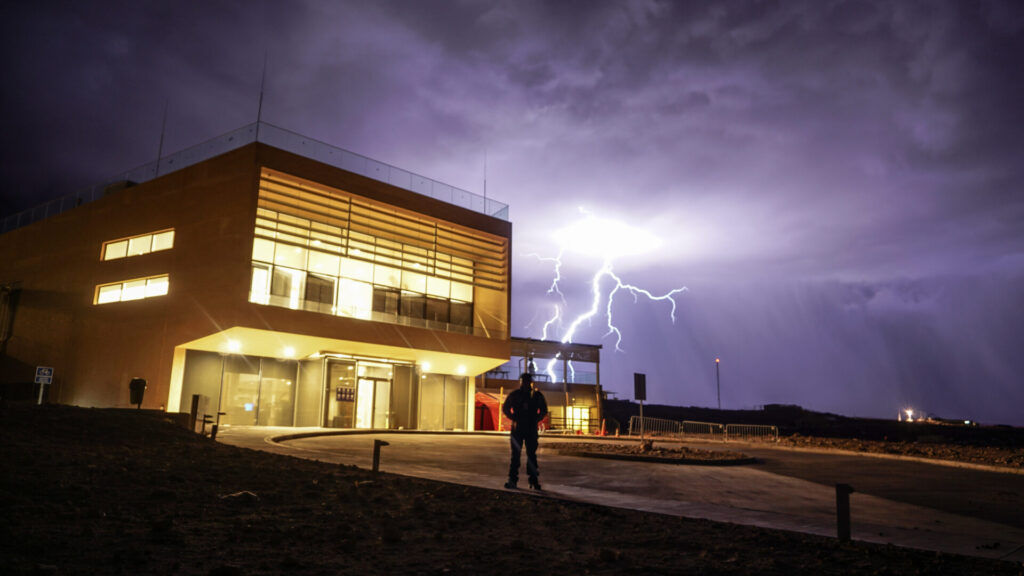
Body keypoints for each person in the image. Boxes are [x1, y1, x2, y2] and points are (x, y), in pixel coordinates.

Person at [502, 372, 548, 490]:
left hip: (529, 429)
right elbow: (505, 408)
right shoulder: (517, 395)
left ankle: (532, 480)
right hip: (519, 429)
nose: (526, 384)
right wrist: (514, 418)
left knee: (530, 456)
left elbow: (543, 410)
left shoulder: (536, 396)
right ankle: (514, 480)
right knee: (517, 456)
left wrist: (535, 420)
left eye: (527, 382)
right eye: (524, 382)